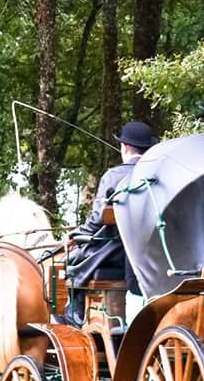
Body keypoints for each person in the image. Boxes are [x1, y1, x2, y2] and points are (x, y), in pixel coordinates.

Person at [66, 120, 159, 325]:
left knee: (69, 261)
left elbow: (97, 221)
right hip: (153, 254)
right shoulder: (158, 175)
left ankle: (76, 313)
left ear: (124, 147)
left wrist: (76, 234)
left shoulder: (113, 176)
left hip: (114, 254)